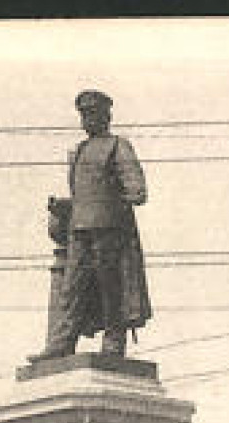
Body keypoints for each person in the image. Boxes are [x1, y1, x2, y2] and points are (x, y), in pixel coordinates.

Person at [30, 90, 152, 361]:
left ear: (106, 116)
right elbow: (82, 195)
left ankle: (113, 341)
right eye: (83, 114)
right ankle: (62, 342)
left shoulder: (118, 146)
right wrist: (67, 206)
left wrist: (107, 203)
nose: (87, 119)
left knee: (111, 288)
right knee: (72, 288)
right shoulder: (78, 151)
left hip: (109, 231)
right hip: (79, 230)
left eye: (92, 113)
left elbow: (138, 192)